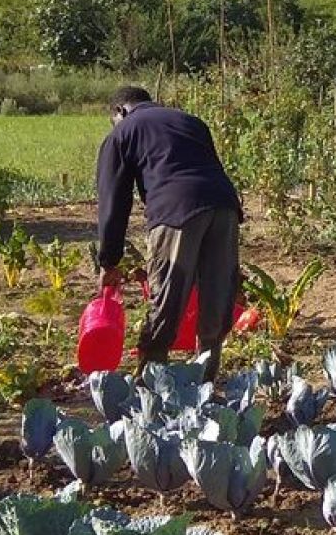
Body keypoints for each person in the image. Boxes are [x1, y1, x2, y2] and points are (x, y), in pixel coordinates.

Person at [95, 86, 243, 378]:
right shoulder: (191, 121)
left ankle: (151, 379)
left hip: (176, 211)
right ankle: (205, 379)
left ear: (120, 111)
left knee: (168, 295)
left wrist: (108, 260)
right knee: (216, 294)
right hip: (224, 206)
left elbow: (114, 201)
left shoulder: (123, 131)